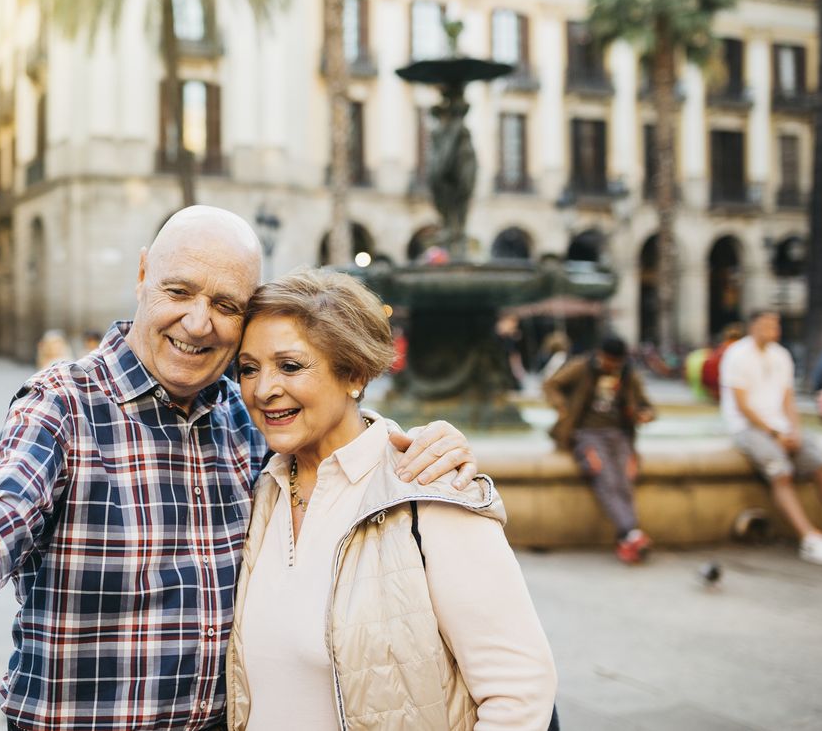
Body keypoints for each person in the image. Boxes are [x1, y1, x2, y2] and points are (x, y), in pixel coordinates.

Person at [0, 206, 480, 731]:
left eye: (225, 304)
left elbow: (339, 443)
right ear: (141, 276)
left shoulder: (249, 418)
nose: (198, 322)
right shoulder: (63, 404)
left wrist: (416, 443)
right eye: (179, 292)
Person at [227, 268, 556, 729]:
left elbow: (520, 692)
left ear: (354, 373)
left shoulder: (429, 488)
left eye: (290, 365)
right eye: (248, 368)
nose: (263, 390)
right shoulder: (265, 489)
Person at [719, 309, 822, 566]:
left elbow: (788, 399)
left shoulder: (781, 355)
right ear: (753, 326)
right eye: (767, 324)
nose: (773, 329)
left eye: (775, 324)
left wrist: (794, 430)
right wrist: (774, 433)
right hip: (748, 429)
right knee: (781, 473)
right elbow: (742, 405)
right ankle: (809, 537)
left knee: (820, 465)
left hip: (781, 427)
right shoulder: (737, 355)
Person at [543, 336, 656, 564]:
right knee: (603, 475)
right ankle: (629, 533)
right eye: (609, 361)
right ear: (600, 354)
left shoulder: (627, 374)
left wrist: (645, 414)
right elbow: (551, 384)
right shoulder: (581, 367)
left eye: (617, 362)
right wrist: (562, 407)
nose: (612, 366)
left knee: (624, 480)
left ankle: (629, 535)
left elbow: (647, 405)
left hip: (619, 435)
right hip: (587, 434)